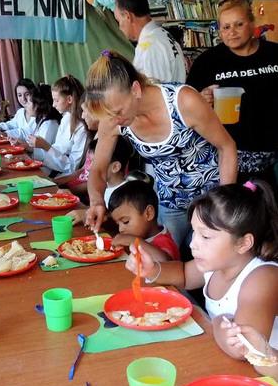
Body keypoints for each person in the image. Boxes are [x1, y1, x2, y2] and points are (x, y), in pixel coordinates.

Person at [85, 50, 237, 249]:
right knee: (163, 261)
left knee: (208, 263)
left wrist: (223, 206)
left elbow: (227, 147)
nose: (114, 120)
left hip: (211, 199)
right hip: (170, 202)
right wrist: (96, 201)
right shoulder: (112, 118)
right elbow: (97, 170)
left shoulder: (183, 101)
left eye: (118, 112)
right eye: (108, 114)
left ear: (136, 90)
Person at [125, 181, 278, 361]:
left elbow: (243, 349)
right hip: (222, 359)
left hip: (263, 379)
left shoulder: (263, 278)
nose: (192, 244)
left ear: (244, 243)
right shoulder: (217, 264)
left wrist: (218, 321)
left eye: (205, 236)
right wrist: (151, 270)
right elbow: (184, 274)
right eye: (194, 232)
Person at [187, 0, 278, 185]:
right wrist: (201, 99)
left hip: (272, 158)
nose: (232, 32)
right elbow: (188, 105)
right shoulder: (207, 62)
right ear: (219, 30)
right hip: (227, 159)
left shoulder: (274, 54)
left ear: (252, 23)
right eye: (226, 27)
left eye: (239, 24)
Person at [114, 0, 186, 83]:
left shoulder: (150, 47)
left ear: (128, 16)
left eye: (119, 20)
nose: (120, 27)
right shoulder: (162, 34)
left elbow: (153, 92)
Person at [28, 75, 88, 178]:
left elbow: (73, 166)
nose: (53, 105)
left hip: (63, 177)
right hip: (50, 169)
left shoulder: (81, 127)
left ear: (69, 99)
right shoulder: (66, 118)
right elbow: (58, 149)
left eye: (56, 100)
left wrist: (46, 146)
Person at [67, 137, 133, 224]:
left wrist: (85, 214)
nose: (90, 167)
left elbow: (114, 220)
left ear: (115, 167)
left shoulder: (127, 194)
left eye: (95, 162)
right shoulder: (103, 186)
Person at [109, 180, 180, 261]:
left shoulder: (164, 241)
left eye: (126, 221)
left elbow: (165, 262)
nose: (120, 229)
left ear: (149, 213)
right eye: (118, 224)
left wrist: (133, 240)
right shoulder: (143, 235)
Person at [8, 84, 60, 162]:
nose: (26, 105)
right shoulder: (40, 120)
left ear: (39, 105)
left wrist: (25, 146)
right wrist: (22, 143)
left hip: (45, 168)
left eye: (29, 103)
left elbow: (43, 154)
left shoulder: (50, 124)